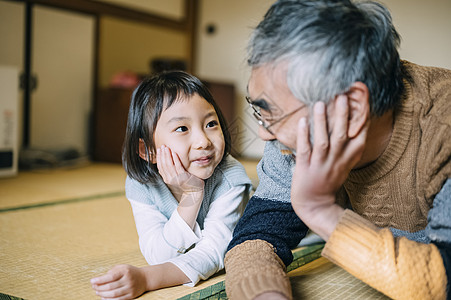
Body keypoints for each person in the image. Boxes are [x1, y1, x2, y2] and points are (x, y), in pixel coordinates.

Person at [224, 0, 451, 299]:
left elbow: (442, 281)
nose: (263, 133)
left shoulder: (441, 128)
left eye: (272, 114)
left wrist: (319, 209)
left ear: (352, 108)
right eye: (259, 112)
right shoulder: (293, 139)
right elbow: (257, 235)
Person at [91, 71, 252, 299]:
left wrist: (147, 278)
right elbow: (158, 255)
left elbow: (215, 253)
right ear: (148, 150)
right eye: (182, 129)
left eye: (211, 124)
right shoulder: (141, 184)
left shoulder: (230, 178)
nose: (203, 141)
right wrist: (192, 195)